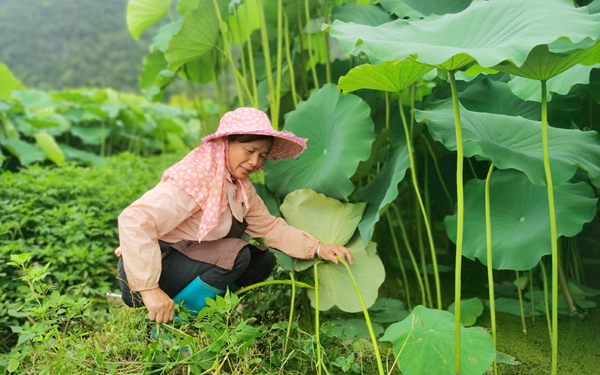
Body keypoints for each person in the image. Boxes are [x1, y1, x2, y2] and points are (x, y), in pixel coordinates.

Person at [115, 107, 354, 323]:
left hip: (180, 265)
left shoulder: (239, 186)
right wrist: (149, 289)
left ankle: (205, 317)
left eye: (261, 155)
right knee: (234, 254)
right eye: (250, 150)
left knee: (261, 259)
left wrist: (318, 248)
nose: (254, 162)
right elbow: (134, 219)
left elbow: (269, 228)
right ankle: (171, 324)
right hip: (147, 275)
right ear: (226, 143)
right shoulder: (198, 176)